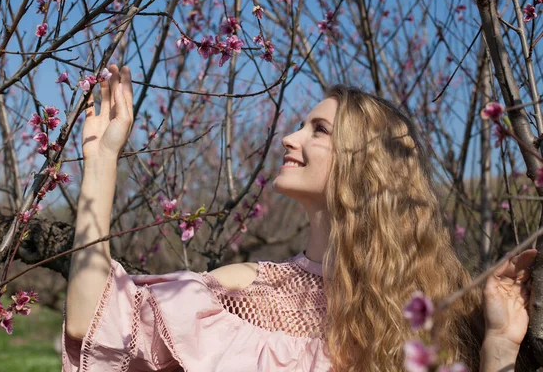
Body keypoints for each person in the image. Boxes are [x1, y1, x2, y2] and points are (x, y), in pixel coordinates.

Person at [62, 64, 538, 372]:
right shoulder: (246, 291)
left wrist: (497, 345)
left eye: (318, 129)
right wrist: (101, 161)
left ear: (366, 164)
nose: (289, 138)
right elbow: (94, 324)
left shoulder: (430, 310)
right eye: (300, 124)